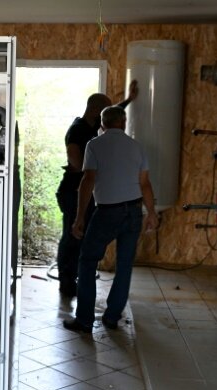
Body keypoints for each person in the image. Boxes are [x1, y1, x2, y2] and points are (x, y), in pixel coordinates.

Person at [63, 105, 159, 333]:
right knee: (124, 265)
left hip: (107, 212)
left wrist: (79, 218)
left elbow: (88, 180)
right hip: (133, 211)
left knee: (87, 261)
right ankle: (112, 316)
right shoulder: (136, 147)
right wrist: (152, 213)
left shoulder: (94, 145)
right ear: (124, 123)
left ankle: (85, 320)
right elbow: (145, 184)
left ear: (101, 124)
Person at [55, 81, 138, 297]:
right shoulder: (77, 130)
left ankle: (76, 279)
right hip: (73, 191)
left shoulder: (94, 125)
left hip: (85, 191)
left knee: (81, 237)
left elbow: (111, 115)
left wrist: (128, 99)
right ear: (94, 111)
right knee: (72, 237)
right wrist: (96, 168)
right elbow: (74, 160)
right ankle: (66, 283)